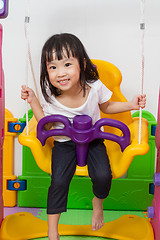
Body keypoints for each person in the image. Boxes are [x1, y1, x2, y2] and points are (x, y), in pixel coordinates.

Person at [21, 33, 146, 240]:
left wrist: (131, 105)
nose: (60, 73)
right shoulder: (50, 93)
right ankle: (53, 230)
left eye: (67, 64)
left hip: (94, 140)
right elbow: (47, 123)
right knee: (59, 181)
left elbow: (106, 106)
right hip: (64, 143)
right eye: (53, 67)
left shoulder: (94, 86)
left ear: (82, 64)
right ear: (46, 71)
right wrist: (33, 100)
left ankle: (98, 202)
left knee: (104, 176)